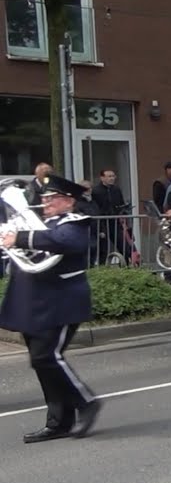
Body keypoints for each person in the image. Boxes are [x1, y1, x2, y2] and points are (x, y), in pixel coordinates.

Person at [0, 174, 104, 442]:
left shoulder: (75, 222)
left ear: (68, 201)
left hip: (61, 301)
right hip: (33, 302)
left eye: (51, 198)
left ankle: (86, 402)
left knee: (48, 357)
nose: (44, 202)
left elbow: (65, 242)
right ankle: (59, 421)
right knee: (40, 362)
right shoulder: (42, 224)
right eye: (43, 197)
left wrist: (20, 238)